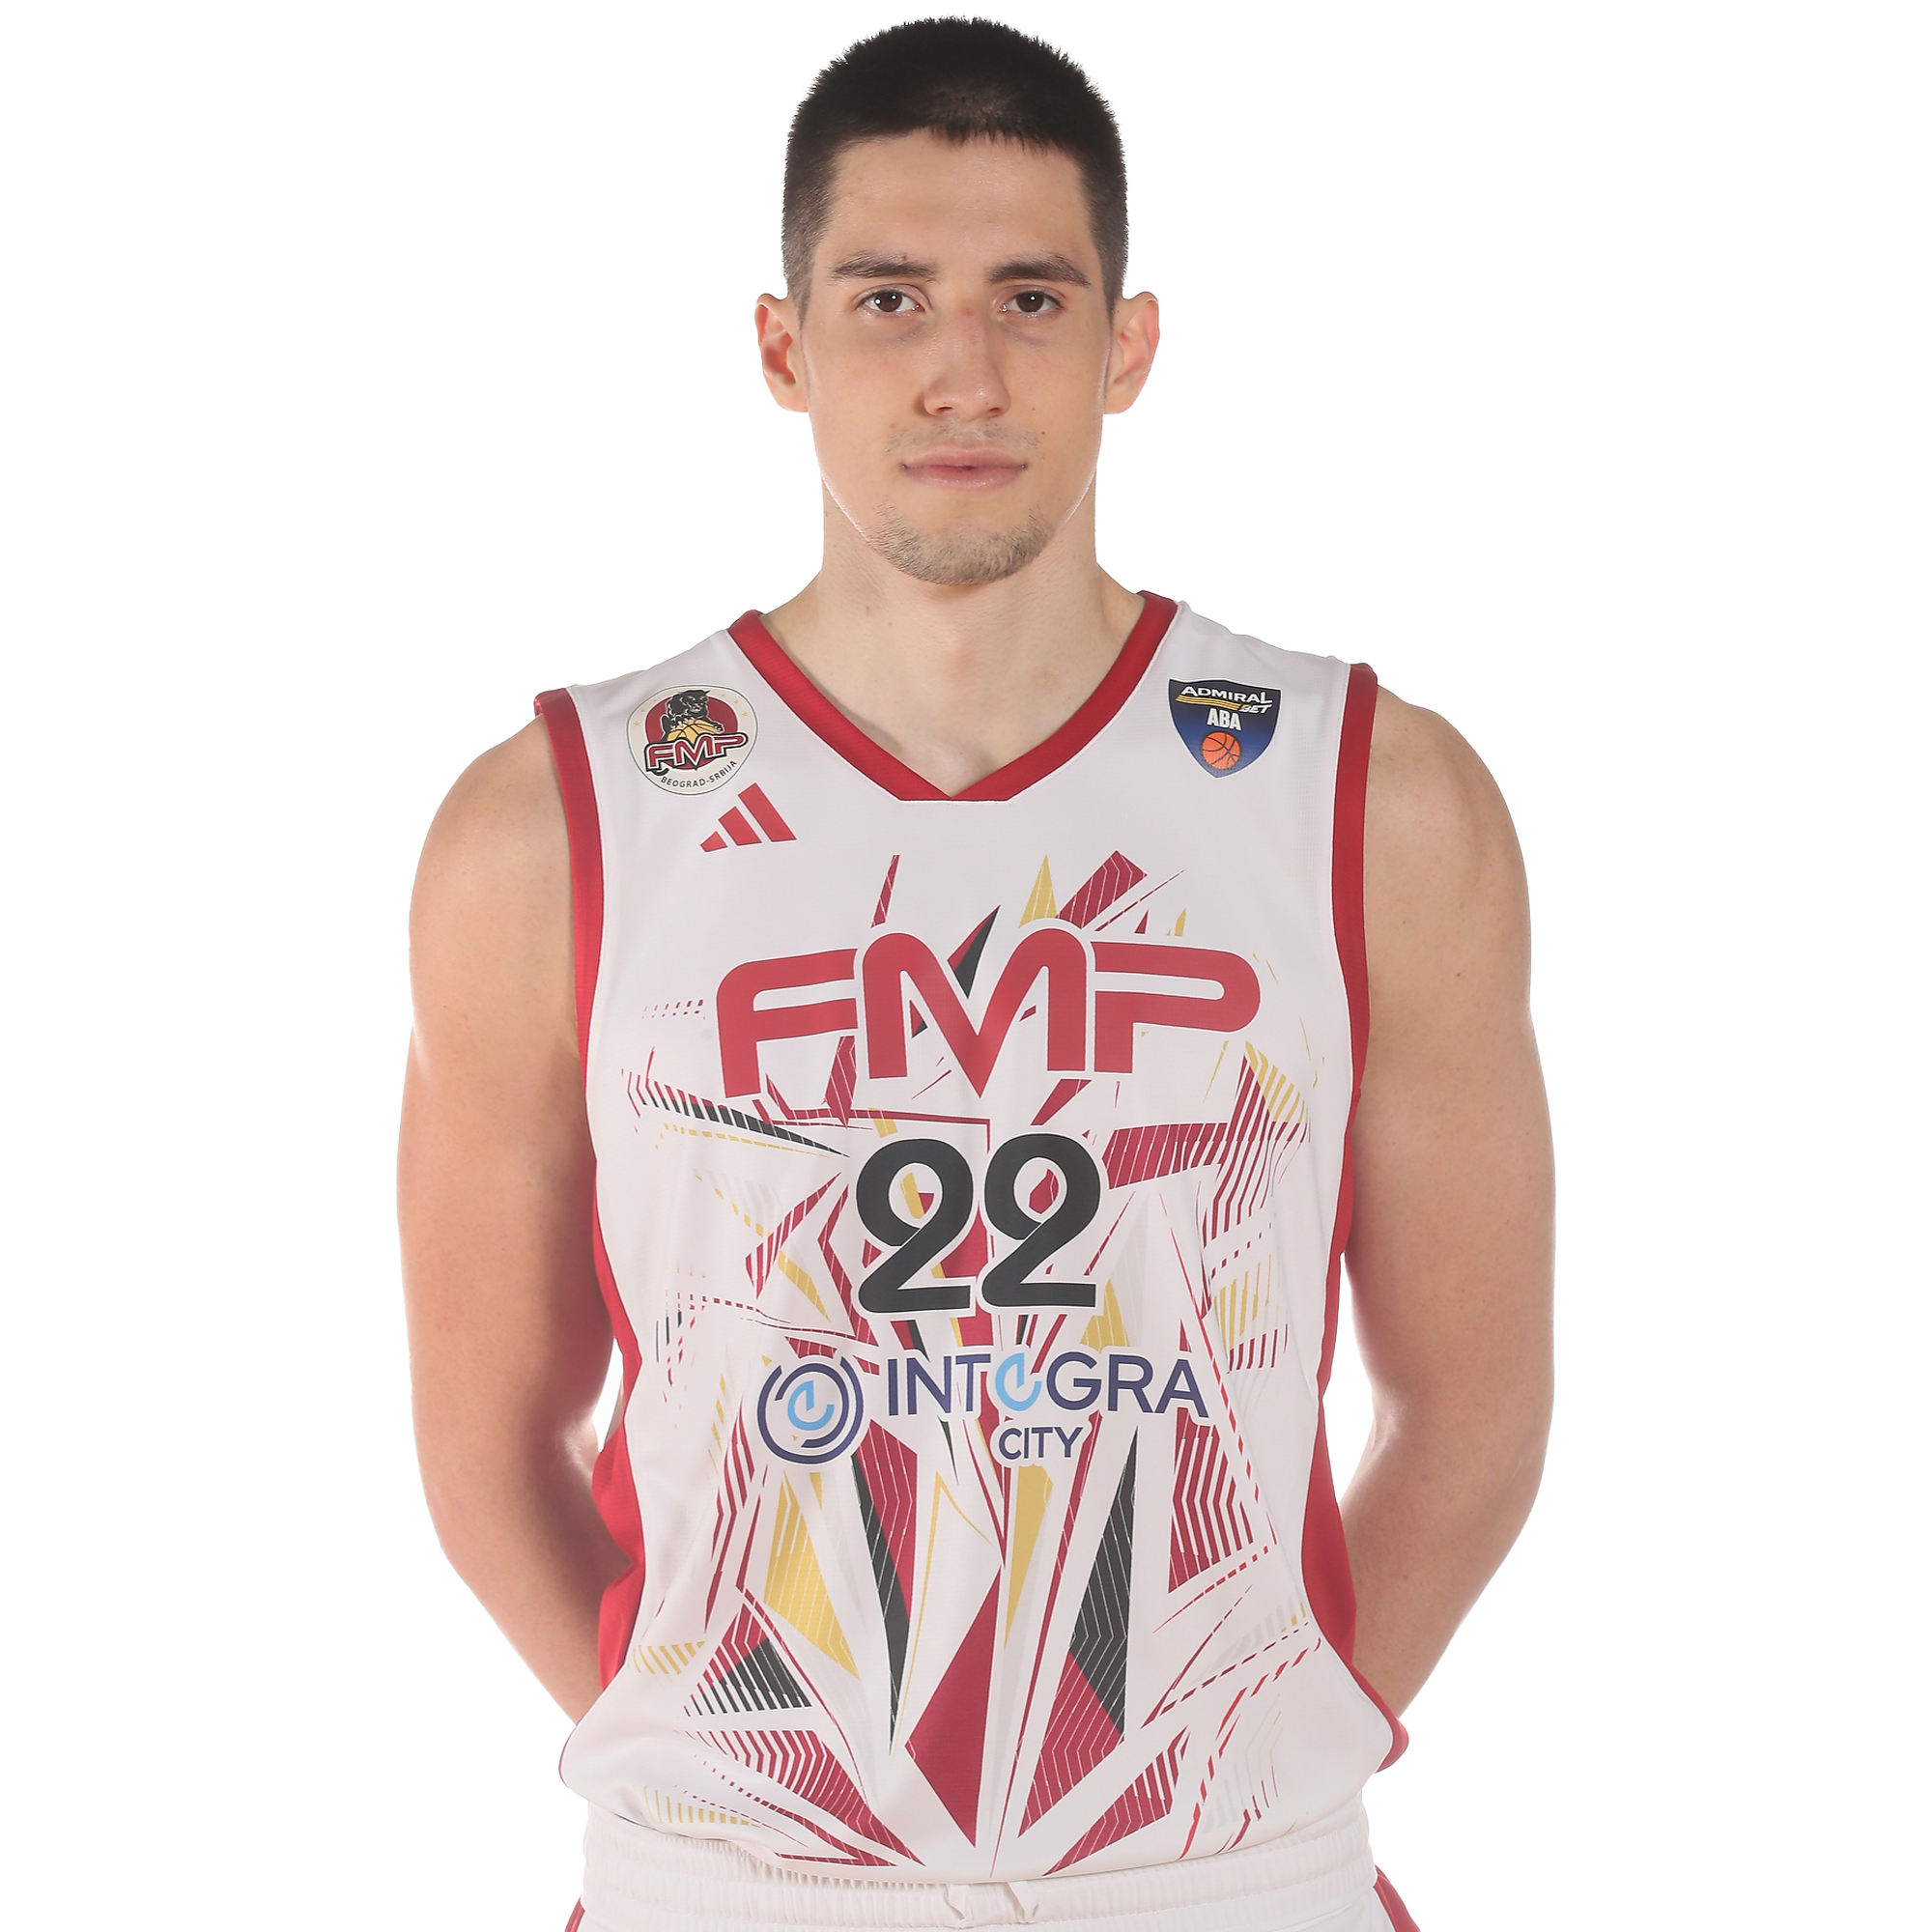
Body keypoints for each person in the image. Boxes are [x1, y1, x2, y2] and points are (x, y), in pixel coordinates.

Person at [400, 16, 1552, 1932]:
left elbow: (1474, 1407)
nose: (963, 369)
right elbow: (482, 1434)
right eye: (887, 298)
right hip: (732, 1886)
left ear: (1128, 344)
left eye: (1031, 296)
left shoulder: (1367, 797)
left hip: (1228, 1881)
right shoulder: (556, 824)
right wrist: (717, 1780)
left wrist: (1243, 1762)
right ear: (784, 347)